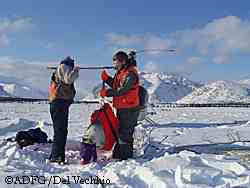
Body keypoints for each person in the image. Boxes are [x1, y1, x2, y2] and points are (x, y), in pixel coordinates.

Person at [99, 50, 140, 160]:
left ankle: (125, 158)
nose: (114, 65)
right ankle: (119, 154)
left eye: (115, 62)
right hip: (122, 107)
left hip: (129, 109)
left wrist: (106, 93)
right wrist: (107, 79)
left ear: (122, 61)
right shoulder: (121, 72)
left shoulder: (130, 74)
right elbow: (116, 85)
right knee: (122, 132)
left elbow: (122, 90)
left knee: (125, 134)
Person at [48, 56, 79, 164]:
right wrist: (75, 71)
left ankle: (56, 155)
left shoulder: (62, 68)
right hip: (59, 103)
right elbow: (68, 79)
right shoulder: (64, 67)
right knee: (60, 131)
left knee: (60, 131)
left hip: (59, 104)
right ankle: (56, 157)